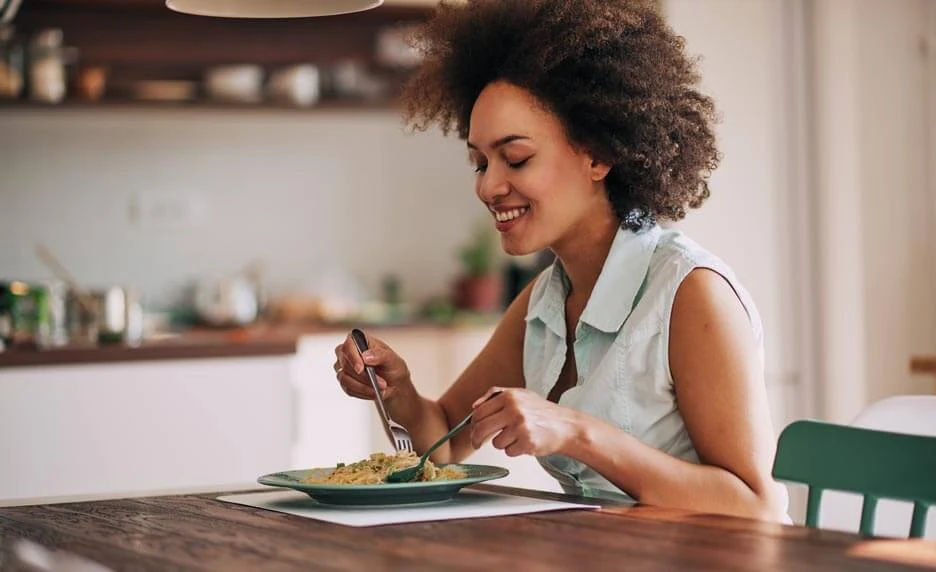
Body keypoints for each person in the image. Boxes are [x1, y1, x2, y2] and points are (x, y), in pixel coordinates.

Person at [333, 0, 789, 521]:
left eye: (516, 157)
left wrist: (574, 431)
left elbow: (757, 507)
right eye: (480, 161)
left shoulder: (689, 294)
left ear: (597, 155)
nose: (488, 185)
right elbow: (447, 444)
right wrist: (400, 391)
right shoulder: (546, 299)